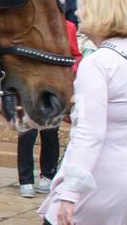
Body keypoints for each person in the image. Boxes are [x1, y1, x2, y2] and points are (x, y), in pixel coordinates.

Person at [33, 0, 127, 225]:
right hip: (125, 182)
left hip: (98, 178)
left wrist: (70, 193)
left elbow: (90, 133)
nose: (80, 12)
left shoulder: (99, 63)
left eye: (85, 6)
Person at [18, 17, 82, 197]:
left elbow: (75, 55)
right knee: (26, 134)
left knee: (50, 133)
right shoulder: (26, 25)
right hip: (29, 86)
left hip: (54, 89)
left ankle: (47, 174)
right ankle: (25, 180)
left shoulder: (67, 26)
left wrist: (71, 72)